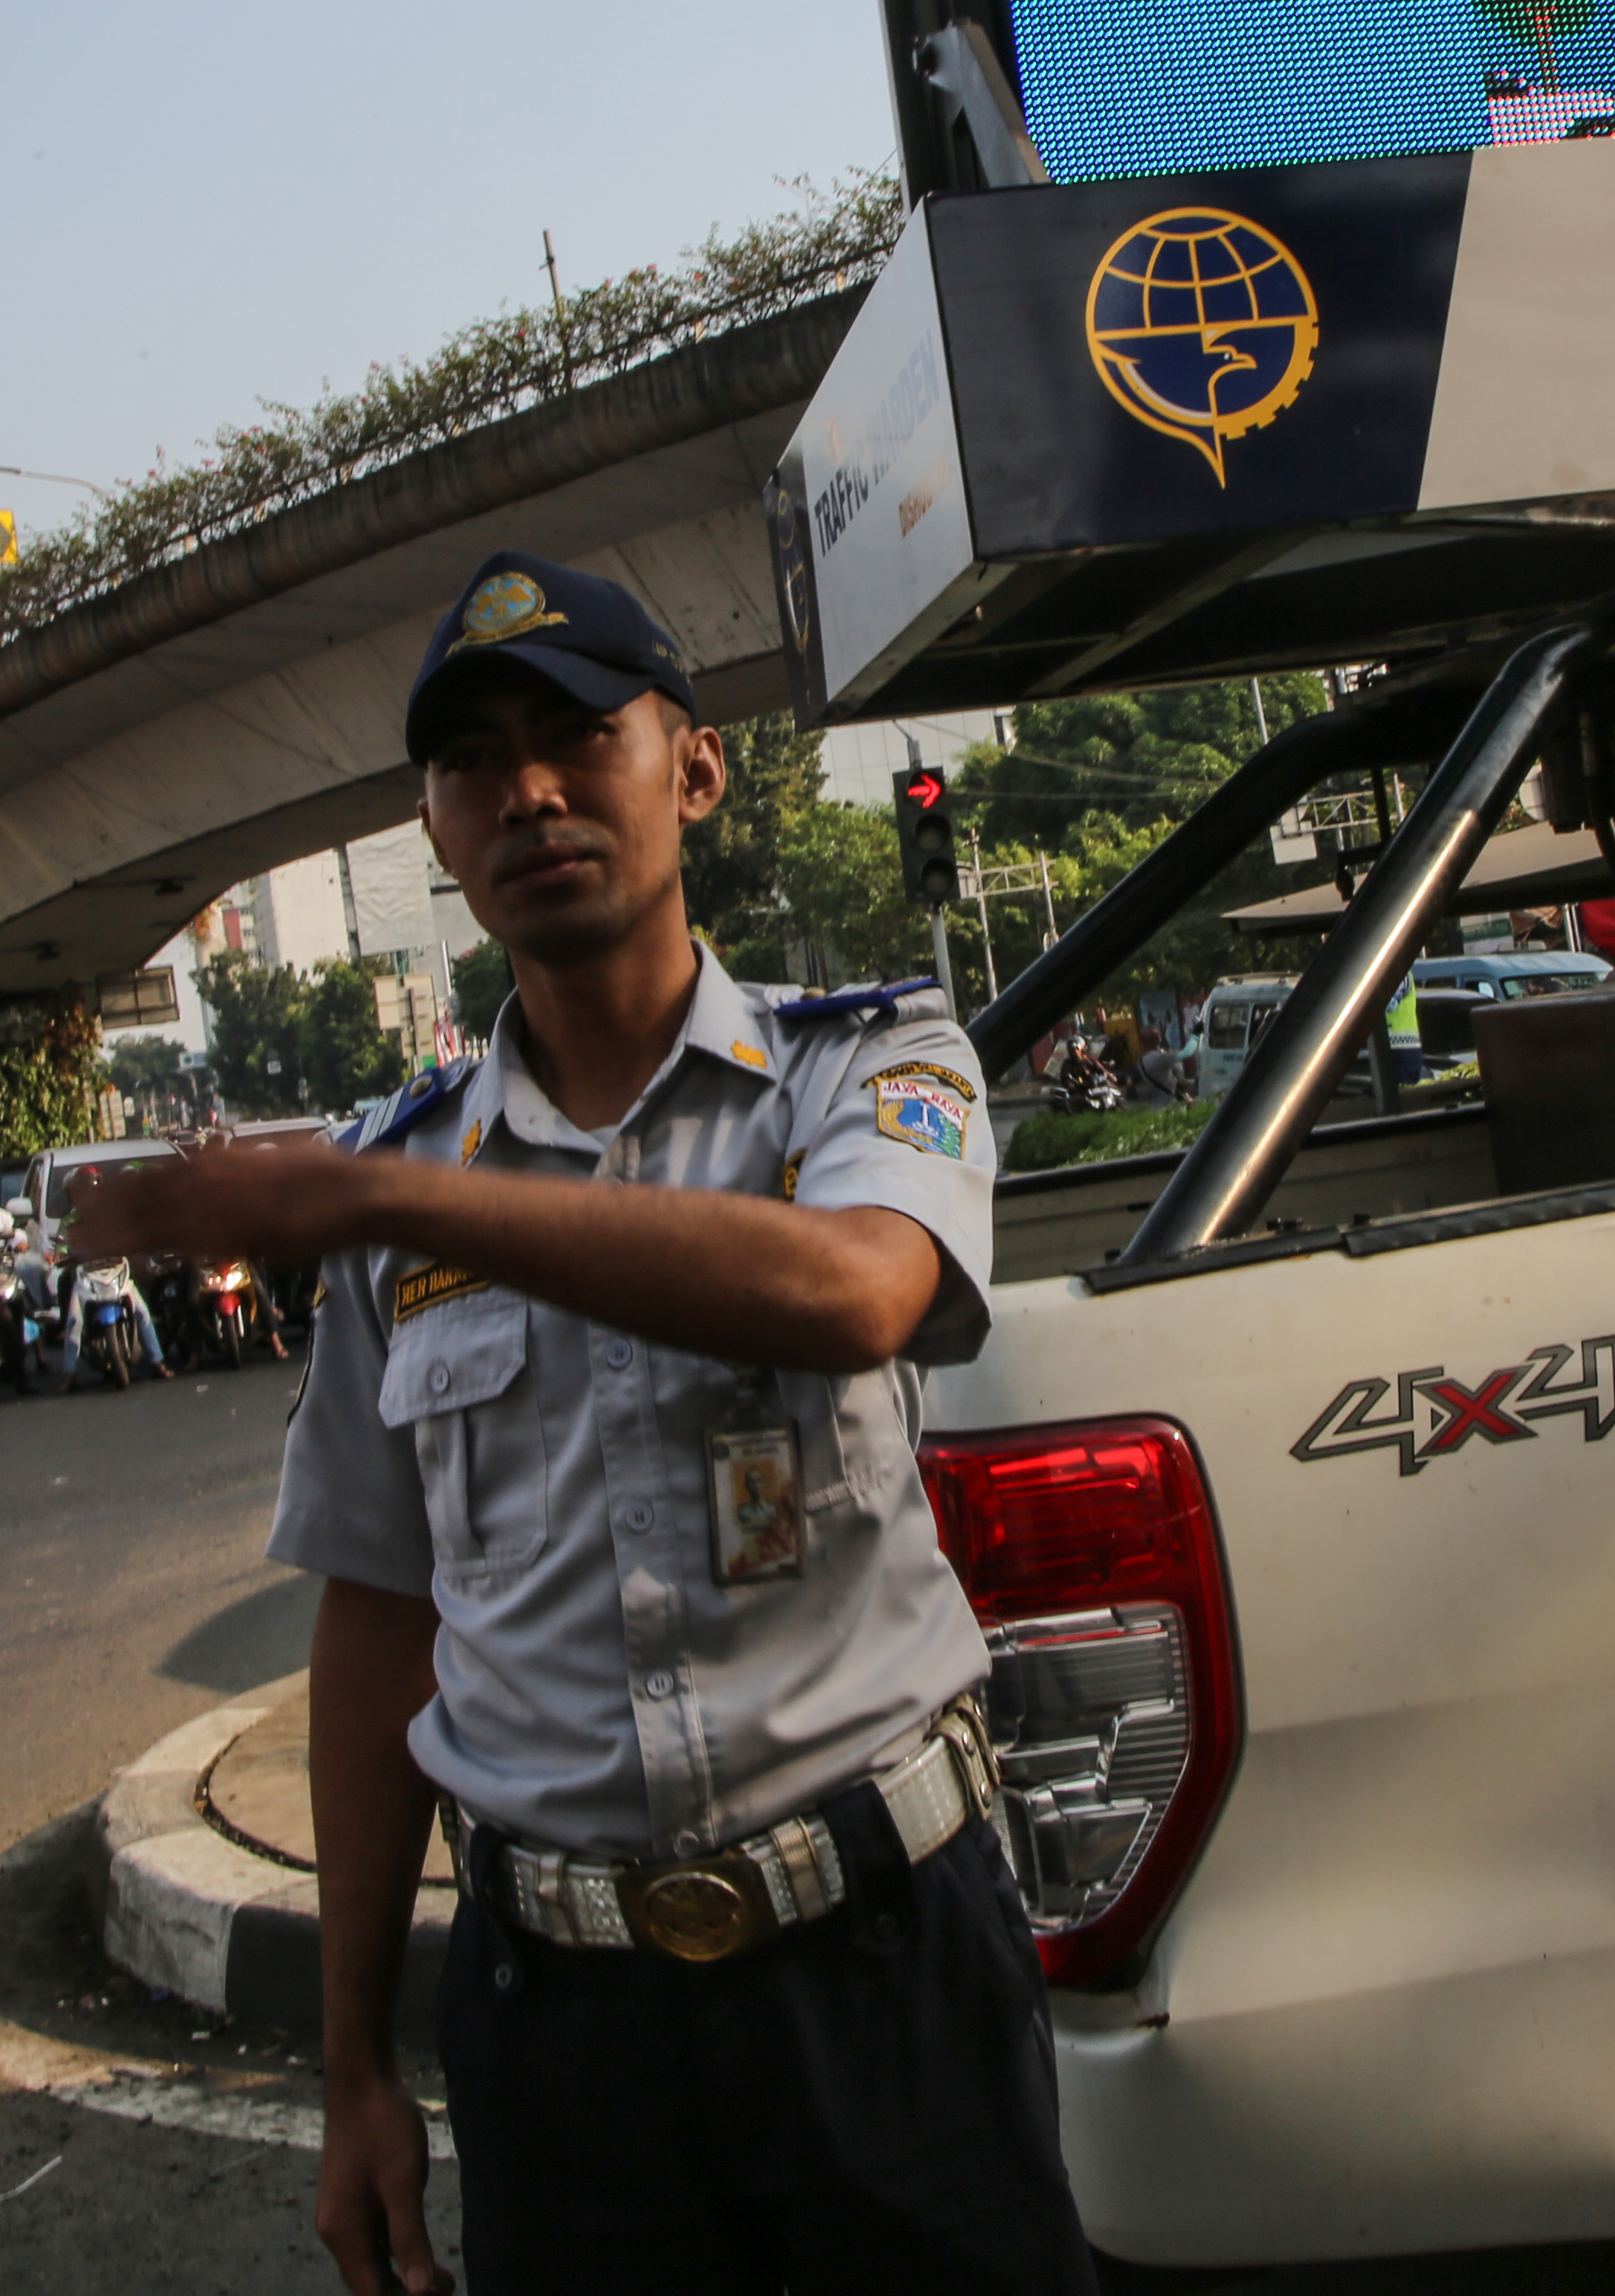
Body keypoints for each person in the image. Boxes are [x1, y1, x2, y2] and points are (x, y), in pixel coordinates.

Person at [76, 549, 1095, 2296]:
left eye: (573, 733)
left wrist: (402, 1211)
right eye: (471, 757)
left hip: (883, 1968)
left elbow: (860, 1288)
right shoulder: (390, 1180)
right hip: (560, 2027)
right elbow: (378, 1612)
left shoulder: (861, 1061)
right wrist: (351, 2073)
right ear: (429, 819)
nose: (526, 790)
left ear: (692, 766)